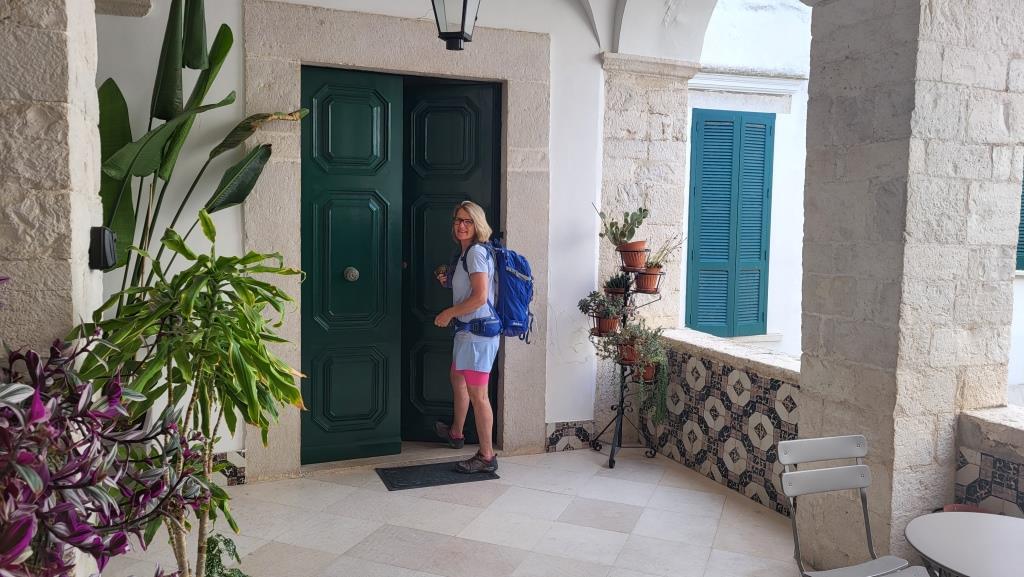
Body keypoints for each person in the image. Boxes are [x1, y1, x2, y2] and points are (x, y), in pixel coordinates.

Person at [433, 200, 499, 474]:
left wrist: (448, 313)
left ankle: (487, 456)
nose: (461, 225)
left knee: (479, 395)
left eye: (468, 221)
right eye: (458, 220)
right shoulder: (466, 253)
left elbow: (480, 297)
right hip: (467, 332)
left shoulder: (476, 253)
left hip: (477, 335)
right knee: (457, 377)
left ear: (477, 224)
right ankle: (456, 433)